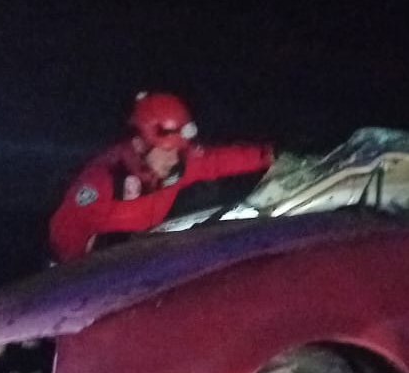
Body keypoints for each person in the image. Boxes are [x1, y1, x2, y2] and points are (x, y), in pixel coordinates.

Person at [48, 91, 273, 261]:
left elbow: (217, 161)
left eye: (178, 150)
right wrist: (91, 264)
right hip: (103, 267)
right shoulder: (103, 181)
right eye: (167, 151)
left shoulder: (177, 165)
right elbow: (65, 236)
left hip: (142, 250)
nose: (174, 159)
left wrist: (267, 155)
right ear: (139, 145)